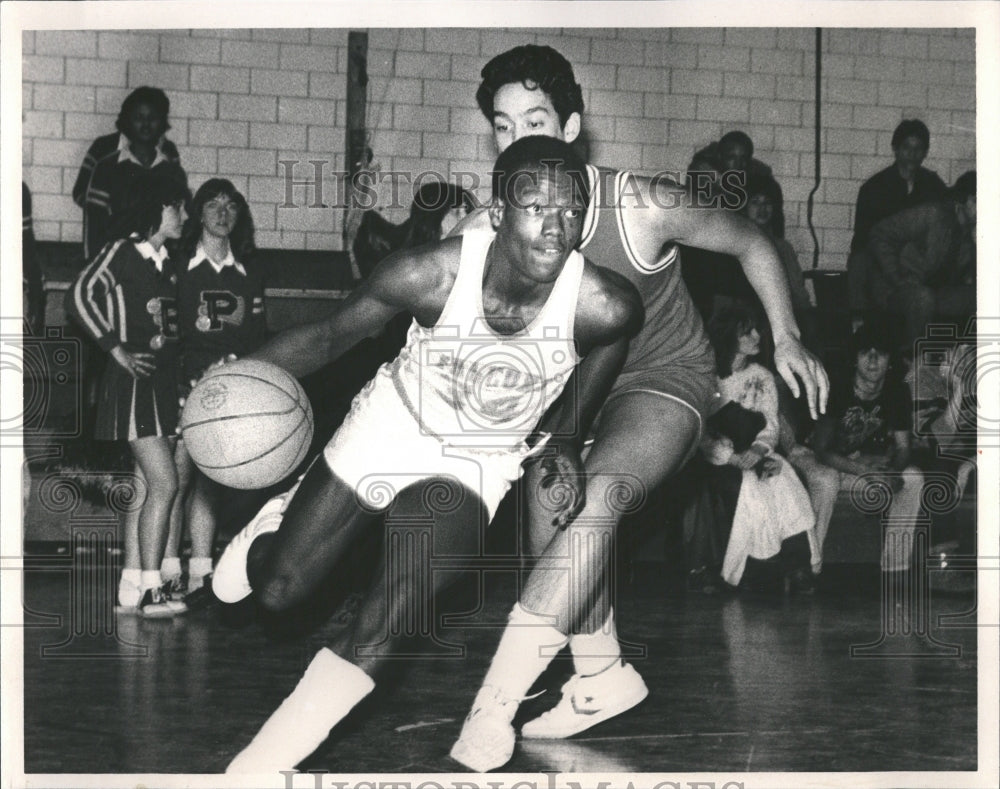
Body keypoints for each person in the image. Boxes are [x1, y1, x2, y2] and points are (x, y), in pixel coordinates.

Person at [209, 136, 643, 772]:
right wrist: (234, 379)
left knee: (396, 609)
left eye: (572, 210)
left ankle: (260, 768)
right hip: (393, 424)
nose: (556, 225)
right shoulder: (429, 274)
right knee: (278, 591)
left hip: (477, 461)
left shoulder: (604, 304)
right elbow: (329, 337)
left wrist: (567, 440)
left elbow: (609, 346)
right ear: (497, 212)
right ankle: (276, 521)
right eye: (535, 205)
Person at [448, 45, 827, 772]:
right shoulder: (494, 220)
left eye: (534, 118)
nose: (517, 135)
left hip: (663, 380)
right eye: (501, 125)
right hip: (572, 395)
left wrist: (785, 337)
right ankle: (600, 675)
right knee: (549, 506)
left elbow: (749, 239)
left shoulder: (640, 203)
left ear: (570, 128)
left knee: (599, 496)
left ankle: (491, 704)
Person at [65, 173, 189, 617]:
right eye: (178, 207)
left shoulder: (166, 263)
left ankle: (131, 585)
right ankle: (153, 588)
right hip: (133, 385)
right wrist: (115, 350)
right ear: (157, 208)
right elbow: (78, 296)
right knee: (165, 483)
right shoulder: (122, 251)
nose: (184, 216)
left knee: (143, 487)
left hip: (160, 385)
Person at [167, 179, 268, 605]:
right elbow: (166, 333)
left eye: (231, 206)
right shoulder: (177, 266)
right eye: (214, 204)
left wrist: (235, 368)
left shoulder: (249, 272)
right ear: (198, 212)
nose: (222, 213)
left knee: (210, 480)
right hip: (182, 383)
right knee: (174, 478)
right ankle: (167, 566)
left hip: (228, 388)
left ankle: (201, 572)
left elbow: (259, 338)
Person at [685, 304, 818, 592]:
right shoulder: (707, 377)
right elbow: (698, 430)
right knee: (743, 487)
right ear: (729, 336)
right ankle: (741, 571)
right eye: (748, 332)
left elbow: (771, 425)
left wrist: (757, 452)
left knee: (784, 479)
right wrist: (731, 457)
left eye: (757, 329)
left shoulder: (763, 377)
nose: (757, 336)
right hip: (714, 458)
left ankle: (796, 567)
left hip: (756, 451)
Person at [805, 323, 925, 573]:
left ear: (890, 359)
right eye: (865, 353)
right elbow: (822, 450)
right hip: (818, 460)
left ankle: (896, 567)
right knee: (826, 482)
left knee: (913, 478)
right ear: (854, 358)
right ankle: (810, 567)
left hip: (860, 462)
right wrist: (866, 472)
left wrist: (892, 473)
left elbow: (904, 447)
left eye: (879, 353)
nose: (872, 360)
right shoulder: (837, 386)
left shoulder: (896, 390)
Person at [847, 119, 949, 320]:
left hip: (920, 267)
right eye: (906, 148)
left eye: (919, 149)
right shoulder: (874, 188)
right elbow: (863, 240)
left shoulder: (934, 185)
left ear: (926, 152)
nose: (912, 154)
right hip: (882, 267)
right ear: (895, 148)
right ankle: (859, 324)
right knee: (860, 261)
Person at [866, 171, 976, 349]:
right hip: (896, 288)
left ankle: (968, 363)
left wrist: (978, 245)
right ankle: (911, 363)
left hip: (935, 290)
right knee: (923, 299)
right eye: (977, 201)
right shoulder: (932, 214)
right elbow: (880, 234)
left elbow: (972, 279)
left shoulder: (973, 232)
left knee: (979, 297)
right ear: (962, 199)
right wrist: (896, 277)